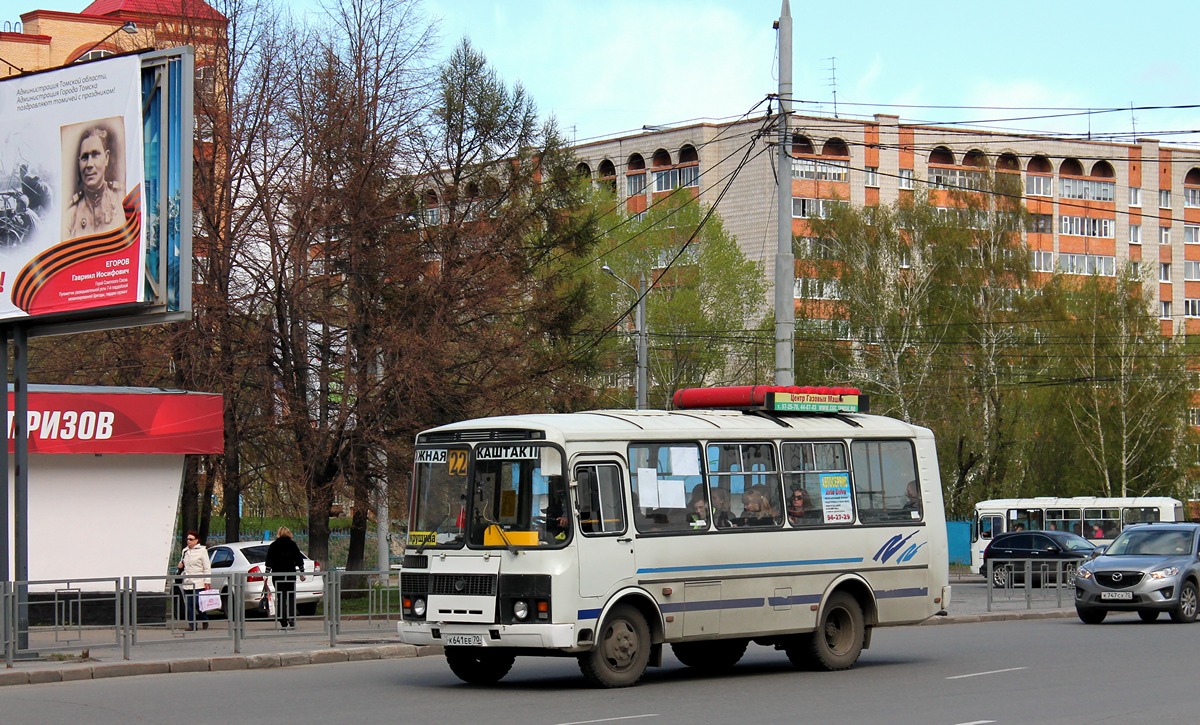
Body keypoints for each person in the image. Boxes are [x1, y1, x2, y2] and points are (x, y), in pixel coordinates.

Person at [66, 125, 125, 237]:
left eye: (95, 155)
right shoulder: (71, 214)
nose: (89, 164)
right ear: (79, 163)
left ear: (106, 158)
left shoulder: (121, 200)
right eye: (84, 157)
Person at [265, 527, 307, 629]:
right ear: (289, 533)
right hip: (290, 574)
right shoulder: (292, 545)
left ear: (278, 534)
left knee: (281, 597)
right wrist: (302, 572)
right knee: (291, 597)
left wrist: (266, 574)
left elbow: (269, 560)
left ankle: (283, 620)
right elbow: (298, 559)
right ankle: (291, 617)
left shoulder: (274, 545)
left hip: (278, 575)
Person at [176, 530, 211, 632]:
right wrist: (180, 565)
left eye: (191, 539)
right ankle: (192, 625)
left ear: (196, 540)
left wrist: (207, 581)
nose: (188, 541)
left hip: (199, 582)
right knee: (189, 605)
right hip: (187, 581)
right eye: (187, 539)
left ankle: (204, 618)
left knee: (197, 603)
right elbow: (183, 562)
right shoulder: (185, 551)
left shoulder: (202, 551)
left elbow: (207, 567)